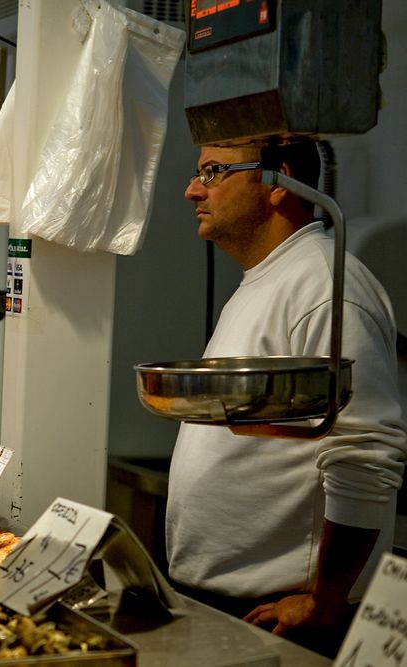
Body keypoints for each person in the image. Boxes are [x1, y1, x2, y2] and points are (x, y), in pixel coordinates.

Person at [165, 141, 407, 657]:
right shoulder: (266, 280)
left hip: (284, 614)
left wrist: (325, 599)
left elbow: (366, 450)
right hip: (229, 603)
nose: (191, 190)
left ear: (280, 183)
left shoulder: (323, 284)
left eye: (213, 172)